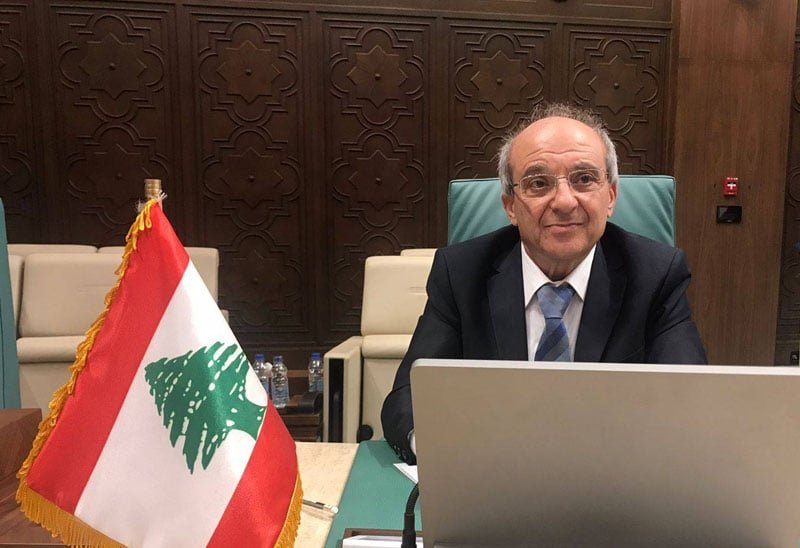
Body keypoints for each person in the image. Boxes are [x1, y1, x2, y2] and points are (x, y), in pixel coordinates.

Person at [381, 103, 707, 464]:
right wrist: (440, 451)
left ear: (611, 196)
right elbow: (409, 399)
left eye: (584, 179)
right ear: (510, 205)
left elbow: (689, 400)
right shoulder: (461, 274)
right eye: (539, 183)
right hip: (494, 470)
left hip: (615, 474)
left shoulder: (657, 274)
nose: (564, 202)